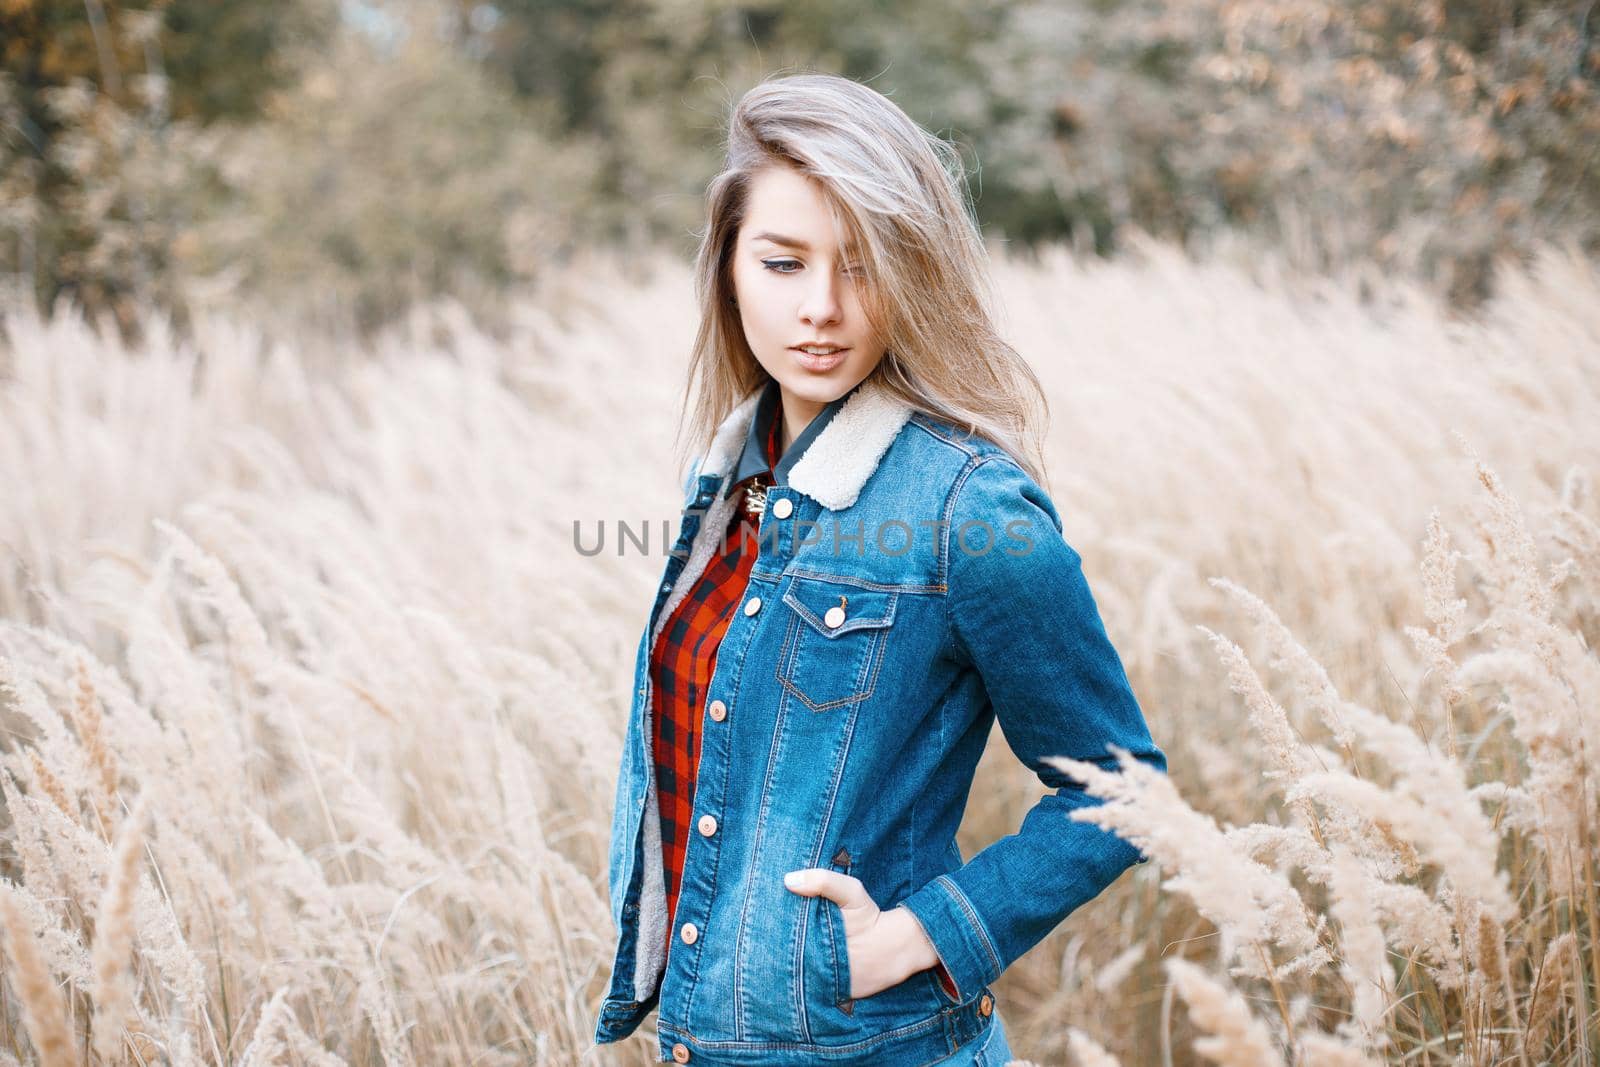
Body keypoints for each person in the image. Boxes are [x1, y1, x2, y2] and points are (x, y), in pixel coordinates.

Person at [593, 70, 1167, 1066]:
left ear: (912, 271)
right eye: (783, 262)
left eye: (860, 267)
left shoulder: (968, 508)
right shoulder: (733, 475)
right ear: (729, 265)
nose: (821, 308)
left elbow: (1120, 789)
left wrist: (917, 935)